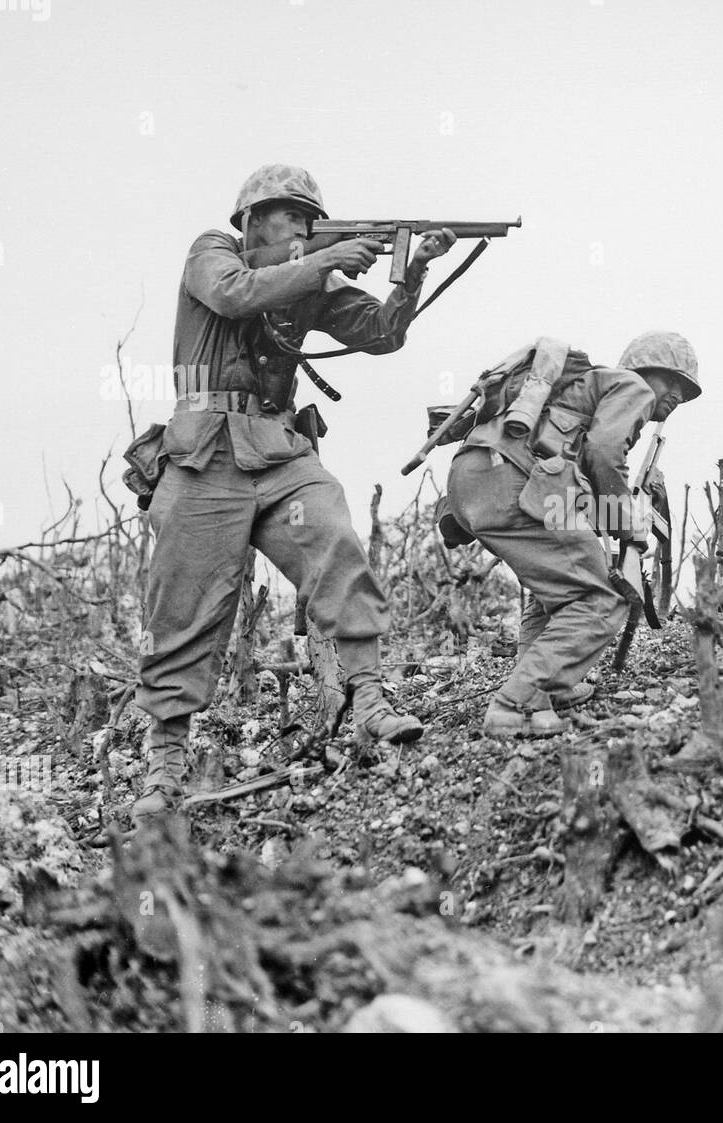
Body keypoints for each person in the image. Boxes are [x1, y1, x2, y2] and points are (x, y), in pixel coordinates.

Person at [132, 164, 454, 826]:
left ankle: (368, 698)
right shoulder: (212, 252)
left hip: (277, 449)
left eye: (313, 218)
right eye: (293, 218)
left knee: (335, 538)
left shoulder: (310, 279)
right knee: (185, 606)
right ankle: (164, 767)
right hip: (206, 454)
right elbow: (233, 294)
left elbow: (381, 333)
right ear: (253, 221)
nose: (306, 228)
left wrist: (412, 268)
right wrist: (327, 258)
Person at [445, 331, 700, 736]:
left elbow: (578, 464)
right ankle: (520, 704)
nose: (677, 399)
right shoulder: (631, 386)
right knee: (600, 596)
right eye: (675, 383)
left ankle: (547, 687)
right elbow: (603, 452)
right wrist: (626, 524)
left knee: (561, 586)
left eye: (686, 394)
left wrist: (600, 516)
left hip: (472, 479)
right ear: (648, 371)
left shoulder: (584, 392)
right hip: (513, 480)